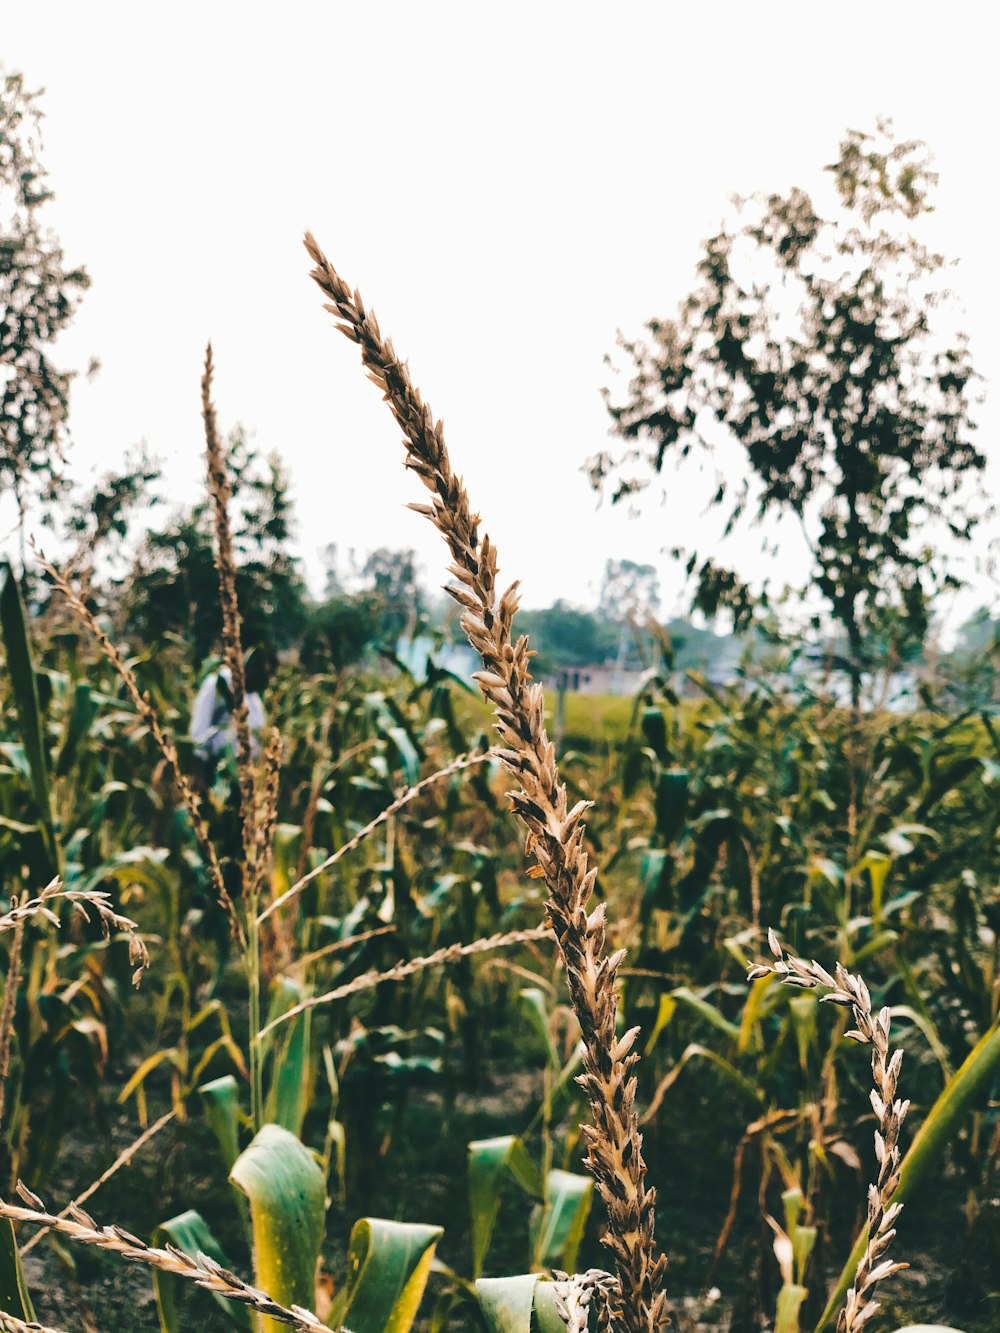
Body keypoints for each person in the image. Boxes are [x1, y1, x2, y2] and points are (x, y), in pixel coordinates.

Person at [191, 649, 269, 771]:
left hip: (245, 771)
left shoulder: (252, 695)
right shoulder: (218, 683)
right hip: (218, 768)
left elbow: (259, 728)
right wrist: (199, 767)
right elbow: (200, 725)